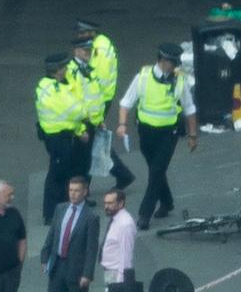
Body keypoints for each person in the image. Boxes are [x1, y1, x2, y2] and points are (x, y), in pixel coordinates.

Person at [116, 42, 197, 230]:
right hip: (146, 133)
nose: (176, 66)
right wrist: (122, 124)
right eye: (172, 62)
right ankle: (167, 202)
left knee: (156, 171)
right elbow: (126, 102)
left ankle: (145, 214)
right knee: (156, 169)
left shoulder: (180, 80)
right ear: (162, 61)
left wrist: (193, 135)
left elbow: (190, 108)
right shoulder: (143, 77)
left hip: (169, 134)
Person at [38, 176, 99, 292]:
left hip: (77, 269)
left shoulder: (91, 217)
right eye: (71, 190)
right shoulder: (60, 209)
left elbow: (91, 248)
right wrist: (45, 256)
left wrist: (87, 274)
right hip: (58, 264)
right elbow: (53, 234)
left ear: (85, 192)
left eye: (77, 190)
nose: (73, 194)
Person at [73, 18, 134, 190]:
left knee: (91, 143)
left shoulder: (98, 50)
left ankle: (118, 175)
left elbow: (94, 80)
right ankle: (122, 174)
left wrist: (94, 112)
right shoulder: (103, 42)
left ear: (92, 32)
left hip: (97, 102)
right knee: (94, 142)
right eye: (79, 34)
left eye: (84, 33)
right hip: (101, 100)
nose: (81, 37)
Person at [35, 52, 89, 224]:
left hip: (61, 135)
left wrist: (79, 129)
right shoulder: (52, 89)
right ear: (57, 70)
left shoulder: (52, 85)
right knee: (56, 174)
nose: (67, 70)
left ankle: (61, 209)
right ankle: (50, 214)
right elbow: (74, 110)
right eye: (64, 67)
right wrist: (82, 122)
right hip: (57, 137)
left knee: (63, 171)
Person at [65, 37, 105, 190]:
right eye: (84, 50)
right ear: (76, 51)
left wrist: (99, 119)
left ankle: (83, 193)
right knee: (79, 163)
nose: (88, 53)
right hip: (81, 124)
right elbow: (73, 102)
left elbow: (95, 96)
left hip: (91, 122)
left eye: (90, 50)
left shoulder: (87, 68)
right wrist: (80, 128)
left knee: (87, 161)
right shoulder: (72, 71)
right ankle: (78, 194)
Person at [100, 188, 136, 289]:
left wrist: (121, 282)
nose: (106, 206)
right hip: (110, 270)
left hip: (117, 273)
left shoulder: (125, 225)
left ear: (121, 204)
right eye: (105, 203)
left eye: (110, 203)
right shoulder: (116, 219)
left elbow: (126, 255)